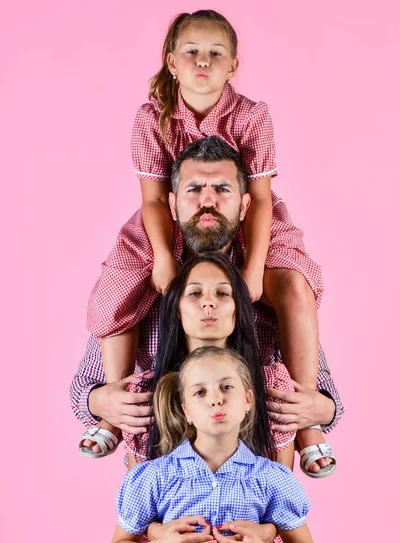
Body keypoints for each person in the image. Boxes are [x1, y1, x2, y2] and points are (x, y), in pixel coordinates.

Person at [85, 9, 333, 473]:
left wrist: (255, 266)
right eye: (191, 53)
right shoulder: (151, 119)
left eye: (215, 54)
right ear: (172, 62)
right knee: (117, 292)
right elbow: (156, 199)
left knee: (294, 285)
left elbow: (258, 198)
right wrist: (161, 256)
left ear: (234, 65)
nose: (203, 63)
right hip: (162, 224)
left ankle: (308, 431)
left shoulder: (253, 116)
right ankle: (115, 416)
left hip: (257, 222)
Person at [109, 346, 318, 543]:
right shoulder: (155, 476)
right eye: (200, 392)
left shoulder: (271, 477)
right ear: (186, 411)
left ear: (248, 400)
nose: (215, 399)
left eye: (227, 387)